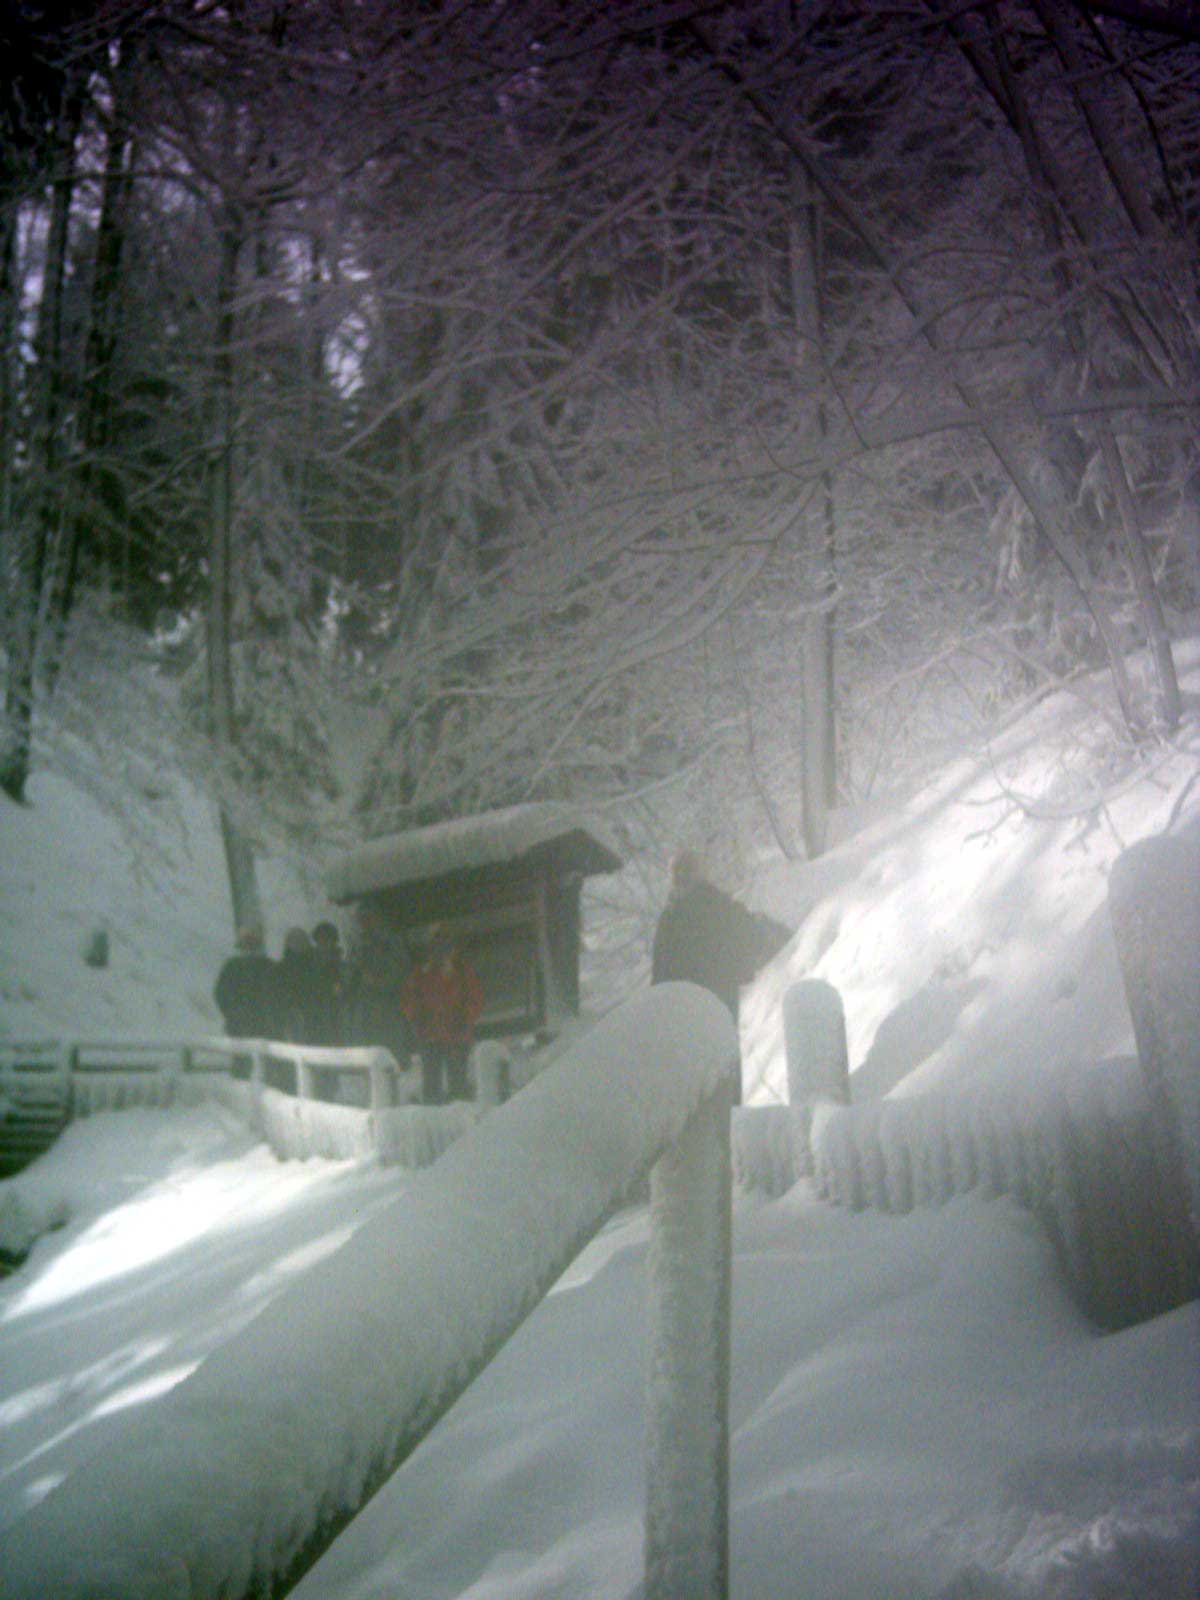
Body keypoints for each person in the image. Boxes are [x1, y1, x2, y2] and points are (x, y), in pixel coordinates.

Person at [651, 849, 792, 1103]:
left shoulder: (670, 918)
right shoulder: (719, 906)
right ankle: (726, 1129)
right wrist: (739, 971)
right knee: (723, 1072)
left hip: (681, 1009)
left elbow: (660, 972)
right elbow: (754, 940)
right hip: (720, 1002)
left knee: (691, 1080)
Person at [400, 923, 484, 1105]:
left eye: (445, 945)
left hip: (457, 1036)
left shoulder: (463, 971)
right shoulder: (421, 973)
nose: (440, 950)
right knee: (431, 1087)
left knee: (458, 1086)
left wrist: (465, 1019)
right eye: (436, 945)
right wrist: (416, 1017)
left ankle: (465, 1126)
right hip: (430, 1037)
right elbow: (408, 998)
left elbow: (475, 999)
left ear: (452, 947)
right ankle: (433, 1123)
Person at [213, 924, 282, 1039]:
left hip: (265, 1026)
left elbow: (278, 995)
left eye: (252, 943)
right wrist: (233, 1014)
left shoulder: (270, 967)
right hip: (240, 1027)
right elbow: (221, 994)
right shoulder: (231, 967)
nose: (249, 947)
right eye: (246, 943)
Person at [277, 926, 317, 1043]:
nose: (298, 945)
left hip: (312, 1015)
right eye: (295, 942)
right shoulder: (281, 968)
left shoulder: (314, 966)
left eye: (301, 941)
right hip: (290, 1016)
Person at [307, 921, 345, 1045]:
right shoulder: (310, 963)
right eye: (320, 941)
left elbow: (341, 990)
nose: (323, 945)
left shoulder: (340, 965)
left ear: (334, 942)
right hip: (315, 1015)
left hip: (337, 1015)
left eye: (327, 940)